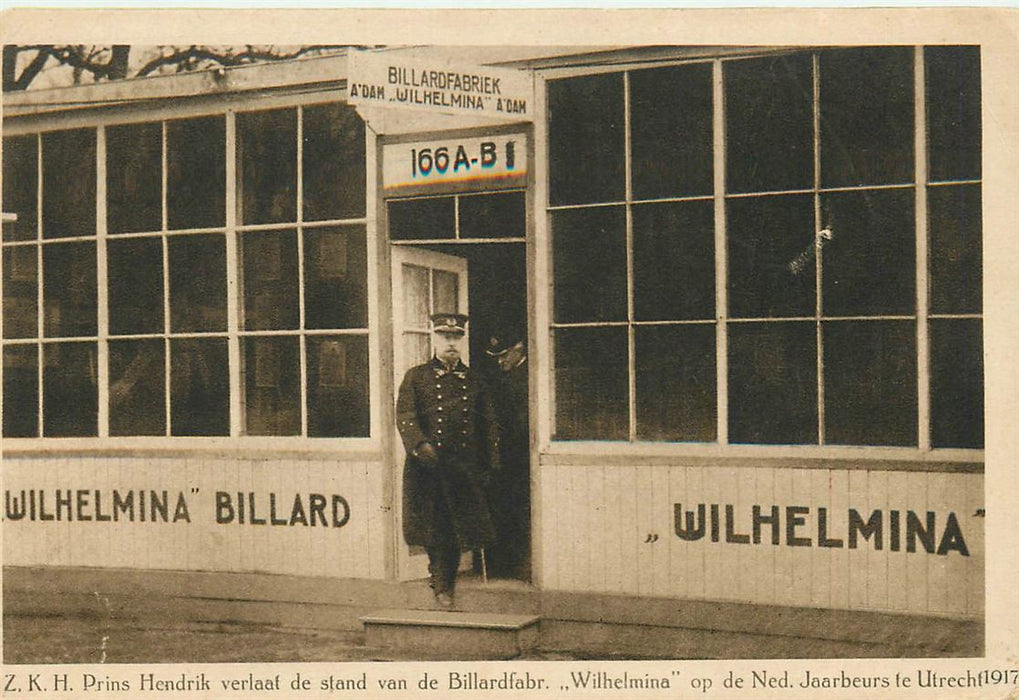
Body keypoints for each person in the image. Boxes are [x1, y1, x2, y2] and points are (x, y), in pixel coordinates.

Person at [396, 313, 500, 609]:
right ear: (434, 339)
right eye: (445, 337)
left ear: (462, 341)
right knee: (431, 524)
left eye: (456, 338)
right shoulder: (416, 377)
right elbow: (404, 416)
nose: (451, 343)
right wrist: (419, 444)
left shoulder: (475, 380)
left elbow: (488, 423)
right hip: (426, 466)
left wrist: (490, 463)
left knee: (456, 526)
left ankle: (445, 581)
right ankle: (437, 574)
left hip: (463, 466)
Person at [485, 328, 530, 580]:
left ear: (519, 349)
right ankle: (504, 565)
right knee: (503, 508)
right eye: (495, 357)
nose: (499, 361)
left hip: (522, 455)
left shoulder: (531, 377)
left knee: (519, 510)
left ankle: (519, 565)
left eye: (503, 355)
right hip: (503, 456)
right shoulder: (502, 377)